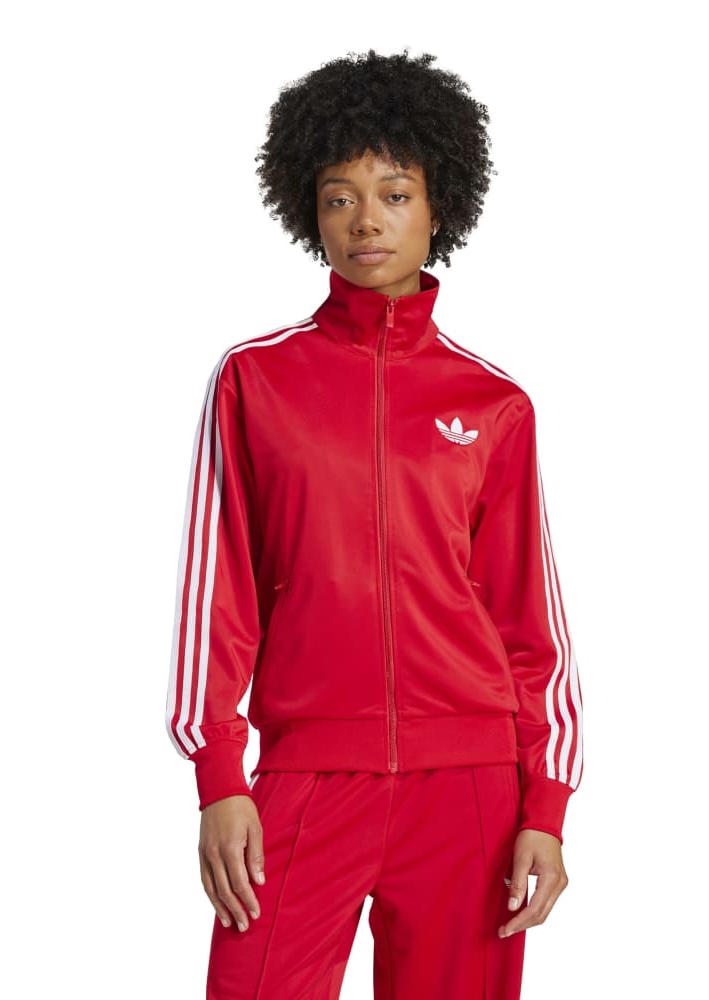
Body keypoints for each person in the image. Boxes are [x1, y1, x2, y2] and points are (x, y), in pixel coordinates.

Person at [166, 49, 583, 1000]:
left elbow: (530, 622)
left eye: (394, 194)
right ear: (308, 212)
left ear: (439, 208)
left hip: (471, 786)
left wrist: (547, 805)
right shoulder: (254, 380)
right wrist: (221, 775)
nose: (366, 220)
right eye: (339, 197)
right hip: (306, 776)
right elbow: (217, 593)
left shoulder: (494, 404)